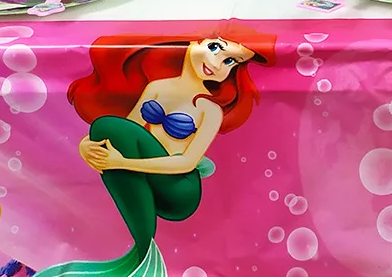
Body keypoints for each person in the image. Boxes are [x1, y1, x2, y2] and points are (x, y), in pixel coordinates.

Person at [35, 27, 277, 277]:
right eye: (214, 48)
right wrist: (85, 145)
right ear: (192, 42)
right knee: (106, 128)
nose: (216, 64)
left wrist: (122, 163)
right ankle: (137, 260)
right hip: (152, 178)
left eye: (230, 62)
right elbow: (126, 130)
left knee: (107, 128)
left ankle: (144, 255)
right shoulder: (156, 88)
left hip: (180, 189)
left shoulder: (210, 110)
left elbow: (186, 162)